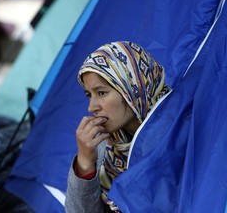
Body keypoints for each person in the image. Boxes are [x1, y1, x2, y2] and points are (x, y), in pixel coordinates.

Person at [65, 41, 171, 212]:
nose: (91, 107)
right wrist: (84, 165)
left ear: (134, 88)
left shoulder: (178, 130)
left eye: (101, 93)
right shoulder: (106, 146)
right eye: (88, 95)